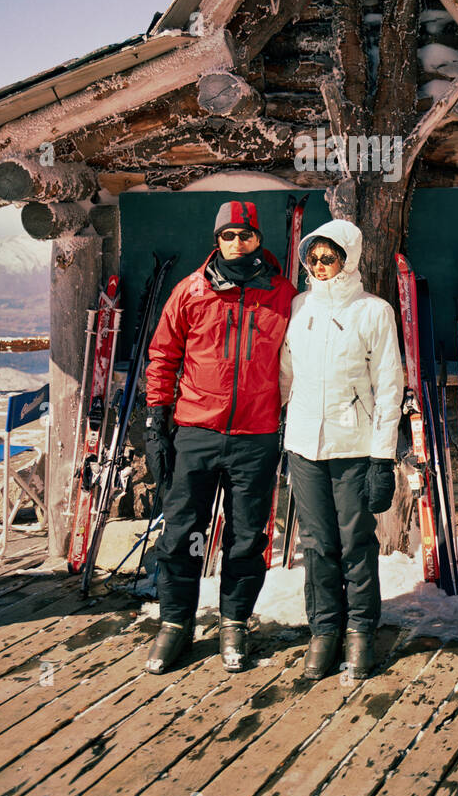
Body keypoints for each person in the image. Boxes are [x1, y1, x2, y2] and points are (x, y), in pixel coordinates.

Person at [142, 199, 297, 674]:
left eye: (245, 235)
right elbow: (163, 356)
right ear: (217, 241)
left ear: (258, 239)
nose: (236, 243)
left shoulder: (283, 295)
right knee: (181, 532)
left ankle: (235, 622)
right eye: (227, 235)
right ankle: (175, 625)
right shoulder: (191, 291)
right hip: (197, 431)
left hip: (256, 434)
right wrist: (155, 422)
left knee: (248, 537)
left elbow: (301, 360)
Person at [279, 220, 404, 681]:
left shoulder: (374, 311)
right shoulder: (300, 305)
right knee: (316, 543)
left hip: (354, 443)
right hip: (303, 443)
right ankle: (325, 630)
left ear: (347, 259)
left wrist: (382, 457)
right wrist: (271, 414)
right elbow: (285, 373)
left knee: (355, 542)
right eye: (312, 257)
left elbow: (390, 385)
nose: (319, 265)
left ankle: (360, 629)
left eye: (328, 257)